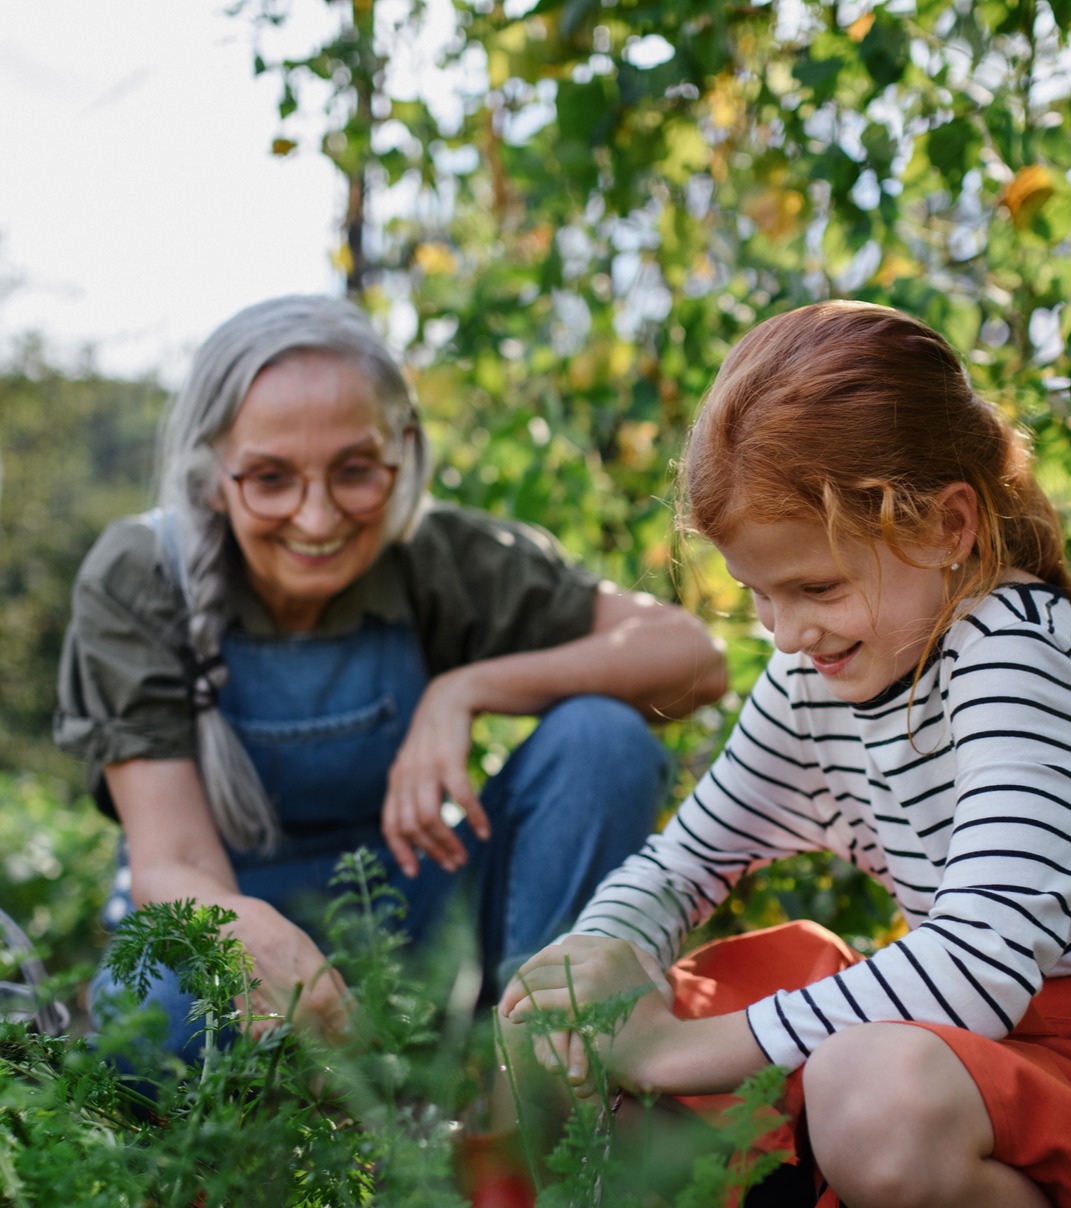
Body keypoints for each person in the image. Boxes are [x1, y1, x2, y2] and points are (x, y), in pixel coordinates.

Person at [501, 301, 1071, 1208]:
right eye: (757, 597)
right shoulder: (820, 668)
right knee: (559, 991)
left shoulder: (1015, 654)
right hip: (961, 1055)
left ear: (947, 526)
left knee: (869, 1090)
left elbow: (975, 970)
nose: (786, 631)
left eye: (812, 586)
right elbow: (690, 858)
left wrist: (671, 1049)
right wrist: (607, 955)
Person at [55, 294, 727, 1064]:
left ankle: (531, 1066)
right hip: (218, 918)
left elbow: (691, 658)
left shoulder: (438, 557)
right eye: (271, 479)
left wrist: (464, 691)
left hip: (416, 916)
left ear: (402, 452)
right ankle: (321, 1102)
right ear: (212, 474)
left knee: (602, 737)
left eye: (355, 472)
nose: (317, 520)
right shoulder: (141, 574)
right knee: (163, 1023)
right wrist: (257, 940)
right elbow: (172, 862)